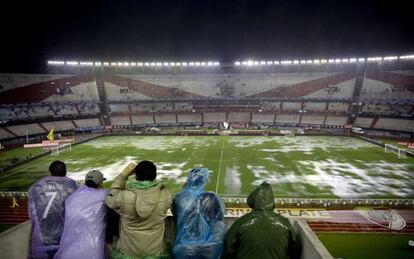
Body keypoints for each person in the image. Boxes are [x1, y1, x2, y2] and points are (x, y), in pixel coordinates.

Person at [105, 160, 172, 258]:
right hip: (155, 251)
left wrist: (123, 175)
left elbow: (110, 199)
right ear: (154, 176)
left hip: (128, 251)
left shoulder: (123, 196)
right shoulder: (166, 195)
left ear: (136, 176)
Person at [222, 182, 296, 259]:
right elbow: (295, 249)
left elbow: (228, 247)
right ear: (271, 201)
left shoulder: (241, 222)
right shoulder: (285, 223)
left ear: (254, 201)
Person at [172, 168, 227, 259]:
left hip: (183, 248)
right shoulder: (212, 197)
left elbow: (176, 214)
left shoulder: (180, 197)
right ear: (204, 180)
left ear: (189, 179)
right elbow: (219, 217)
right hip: (211, 248)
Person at [28, 160, 77, 259]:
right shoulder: (71, 185)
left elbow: (32, 213)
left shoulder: (37, 186)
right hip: (63, 236)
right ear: (65, 172)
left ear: (50, 172)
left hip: (43, 235)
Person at [54, 170, 108, 259]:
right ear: (100, 184)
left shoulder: (73, 197)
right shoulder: (104, 195)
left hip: (68, 251)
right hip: (92, 250)